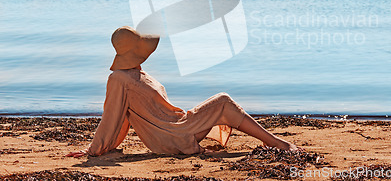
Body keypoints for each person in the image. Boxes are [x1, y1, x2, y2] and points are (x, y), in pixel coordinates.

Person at [67, 26, 298, 158]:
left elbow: (126, 116)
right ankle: (276, 142)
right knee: (224, 101)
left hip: (179, 126)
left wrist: (108, 147)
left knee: (222, 102)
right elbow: (114, 116)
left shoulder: (137, 74)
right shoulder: (118, 79)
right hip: (173, 136)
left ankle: (274, 142)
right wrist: (95, 149)